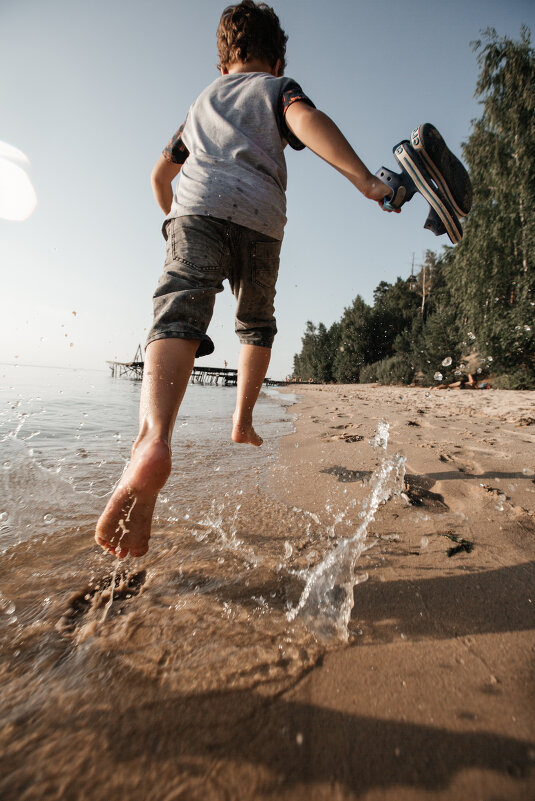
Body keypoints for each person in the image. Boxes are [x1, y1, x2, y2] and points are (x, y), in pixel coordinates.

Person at [95, 0, 395, 559]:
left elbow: (161, 173)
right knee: (256, 322)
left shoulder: (199, 104)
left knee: (178, 313)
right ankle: (243, 419)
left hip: (198, 209)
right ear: (276, 59)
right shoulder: (277, 90)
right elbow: (307, 120)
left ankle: (155, 440)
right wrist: (365, 181)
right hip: (262, 218)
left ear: (222, 60)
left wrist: (173, 217)